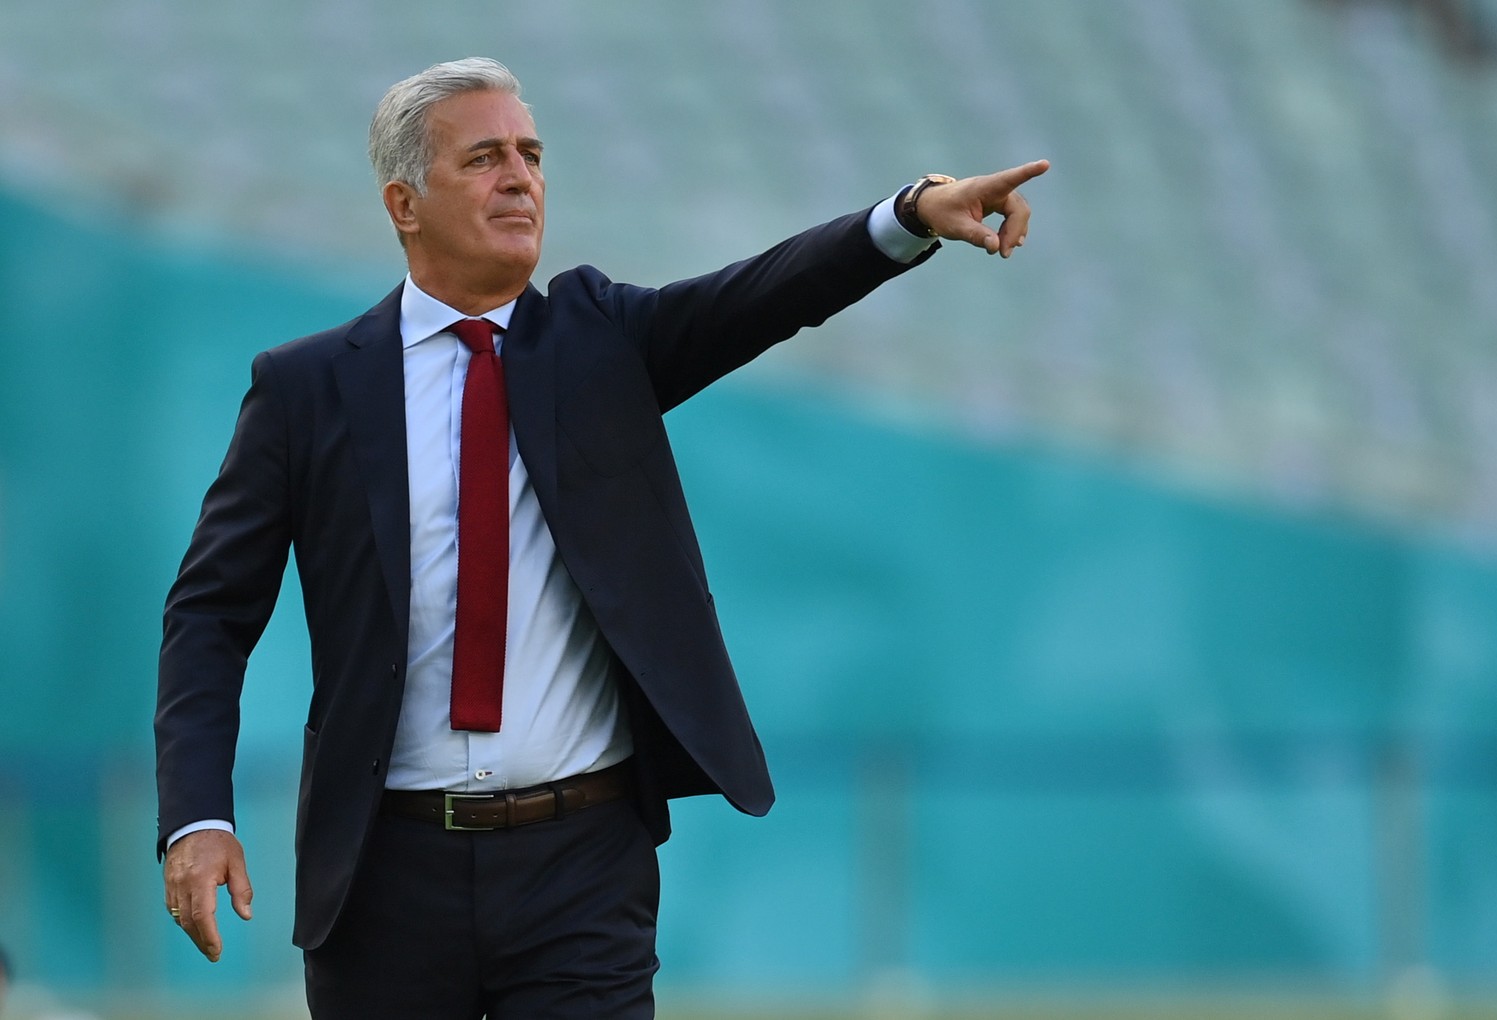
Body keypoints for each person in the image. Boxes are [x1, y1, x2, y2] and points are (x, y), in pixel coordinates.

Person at [155, 56, 1048, 1019]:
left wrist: (909, 215)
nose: (520, 179)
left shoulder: (599, 341)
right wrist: (197, 816)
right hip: (381, 873)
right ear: (404, 204)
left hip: (578, 869)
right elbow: (211, 610)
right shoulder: (309, 388)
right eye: (485, 158)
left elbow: (761, 295)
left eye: (532, 155)